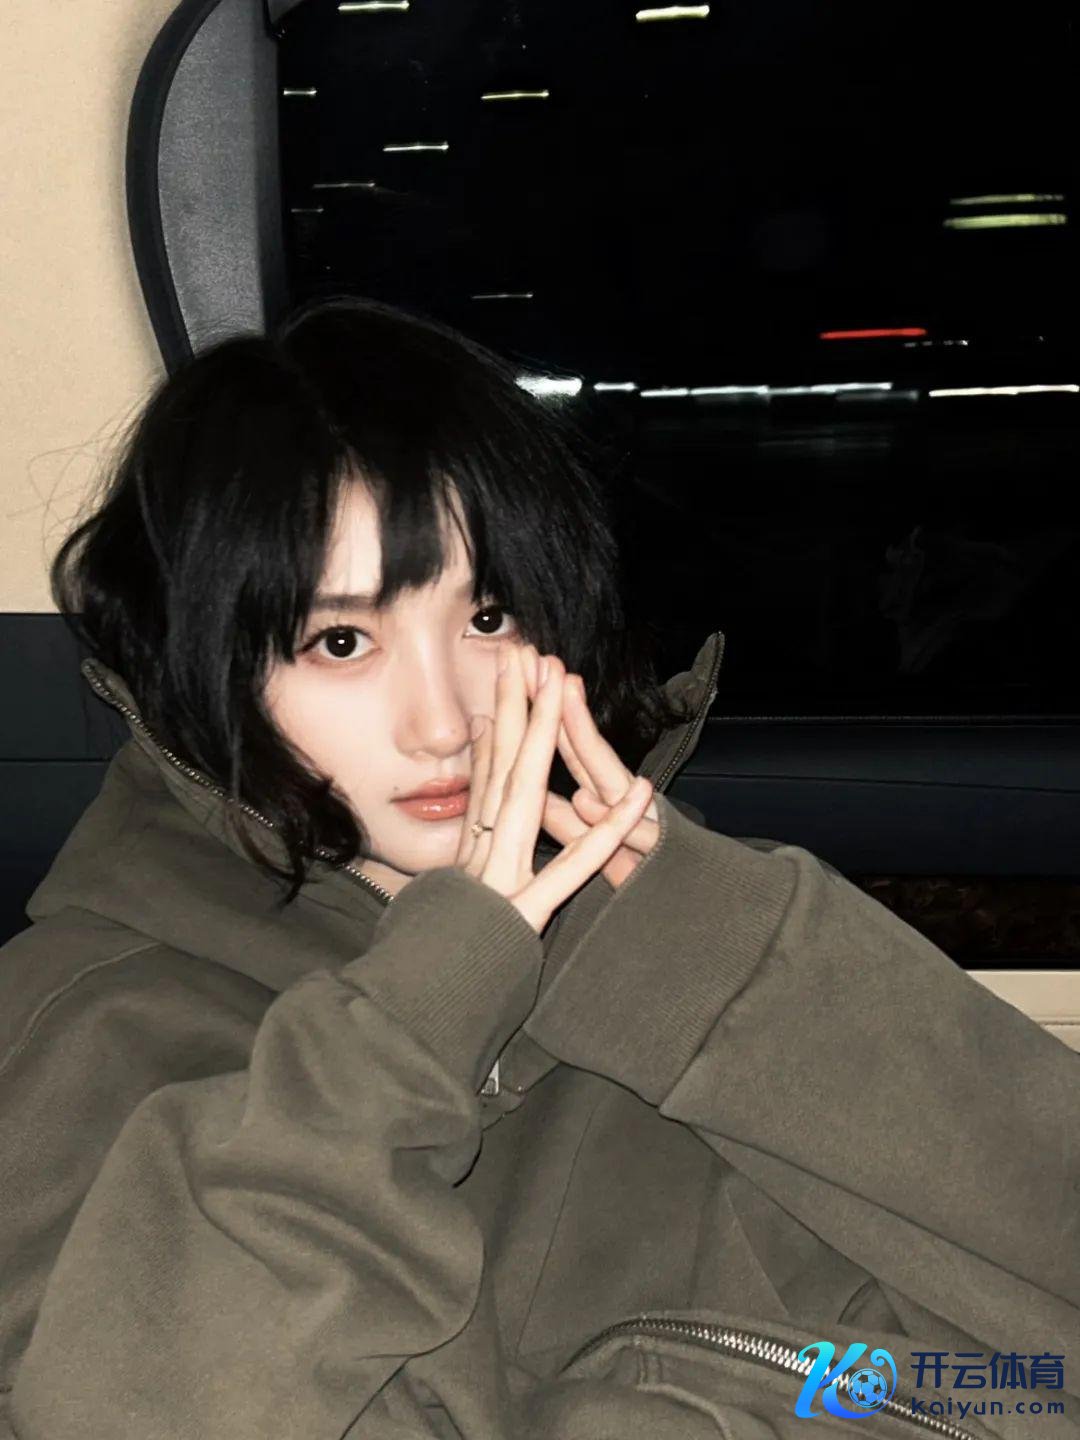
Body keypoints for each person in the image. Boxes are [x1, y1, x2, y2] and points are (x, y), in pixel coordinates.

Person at [0, 296, 1076, 1440]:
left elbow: (1028, 1344)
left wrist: (735, 964)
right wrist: (412, 1027)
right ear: (203, 677)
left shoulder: (672, 929)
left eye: (490, 618)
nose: (443, 723)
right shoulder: (91, 1025)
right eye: (341, 642)